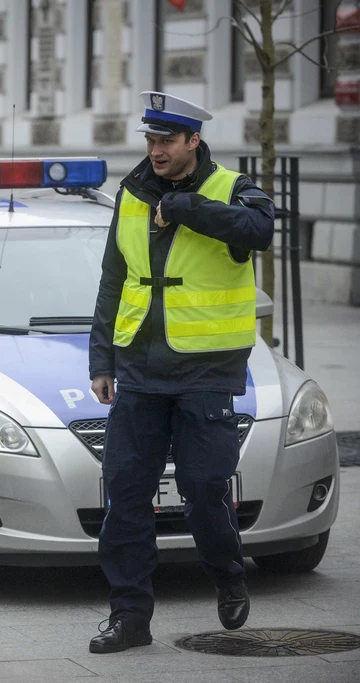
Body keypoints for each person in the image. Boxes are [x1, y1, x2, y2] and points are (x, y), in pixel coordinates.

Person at [87, 92, 274, 654]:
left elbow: (259, 231)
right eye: (151, 140)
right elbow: (112, 278)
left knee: (203, 487)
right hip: (140, 367)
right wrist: (102, 358)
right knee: (126, 495)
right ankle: (129, 616)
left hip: (207, 370)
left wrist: (190, 207)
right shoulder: (133, 191)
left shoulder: (234, 188)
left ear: (194, 140)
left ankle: (227, 572)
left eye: (167, 140)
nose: (157, 150)